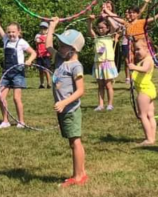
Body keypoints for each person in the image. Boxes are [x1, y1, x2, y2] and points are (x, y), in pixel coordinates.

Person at [46, 17, 87, 187]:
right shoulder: (60, 59)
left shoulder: (75, 66)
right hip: (64, 110)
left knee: (75, 142)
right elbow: (48, 45)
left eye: (63, 45)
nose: (59, 47)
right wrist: (52, 26)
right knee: (73, 141)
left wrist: (64, 103)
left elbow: (81, 90)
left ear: (73, 49)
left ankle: (78, 176)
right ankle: (81, 173)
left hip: (70, 110)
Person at [0, 1, 37, 129]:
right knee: (0, 97)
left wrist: (29, 60)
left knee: (16, 98)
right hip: (6, 72)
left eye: (13, 32)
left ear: (19, 32)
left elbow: (33, 52)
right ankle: (5, 121)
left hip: (18, 73)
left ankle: (21, 121)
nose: (11, 34)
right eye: (9, 32)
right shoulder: (5, 40)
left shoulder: (22, 42)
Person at [128, 41, 157, 145]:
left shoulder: (147, 60)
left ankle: (149, 139)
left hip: (144, 90)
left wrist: (134, 67)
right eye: (135, 50)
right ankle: (152, 137)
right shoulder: (146, 60)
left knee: (143, 115)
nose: (136, 52)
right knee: (150, 115)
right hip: (148, 89)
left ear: (147, 49)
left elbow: (144, 69)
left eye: (138, 49)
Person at [88, 15, 118, 111]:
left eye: (102, 27)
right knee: (100, 85)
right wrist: (90, 21)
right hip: (98, 64)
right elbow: (90, 30)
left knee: (108, 85)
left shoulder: (110, 37)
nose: (100, 30)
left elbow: (115, 27)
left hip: (107, 63)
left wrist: (107, 16)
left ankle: (110, 104)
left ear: (107, 28)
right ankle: (100, 105)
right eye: (99, 27)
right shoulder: (96, 38)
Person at [34, 22, 52, 89]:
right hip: (39, 55)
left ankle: (49, 83)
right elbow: (36, 41)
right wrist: (43, 41)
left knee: (46, 70)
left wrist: (42, 40)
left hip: (46, 55)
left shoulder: (48, 36)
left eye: (44, 28)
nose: (43, 30)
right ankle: (42, 84)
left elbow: (49, 42)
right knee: (40, 70)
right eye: (41, 28)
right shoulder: (37, 35)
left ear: (47, 29)